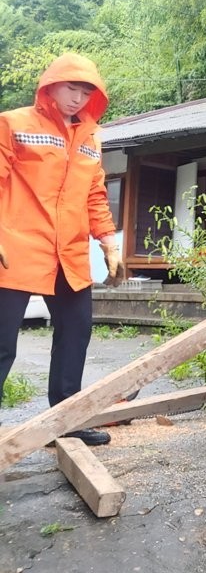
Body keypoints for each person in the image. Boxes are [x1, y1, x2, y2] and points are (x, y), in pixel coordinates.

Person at [0, 53, 123, 445]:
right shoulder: (14, 123)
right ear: (50, 85)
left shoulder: (90, 136)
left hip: (68, 252)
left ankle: (65, 420)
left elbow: (95, 195)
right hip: (16, 246)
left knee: (76, 332)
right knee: (2, 342)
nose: (78, 98)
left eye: (86, 92)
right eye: (72, 88)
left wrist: (108, 241)